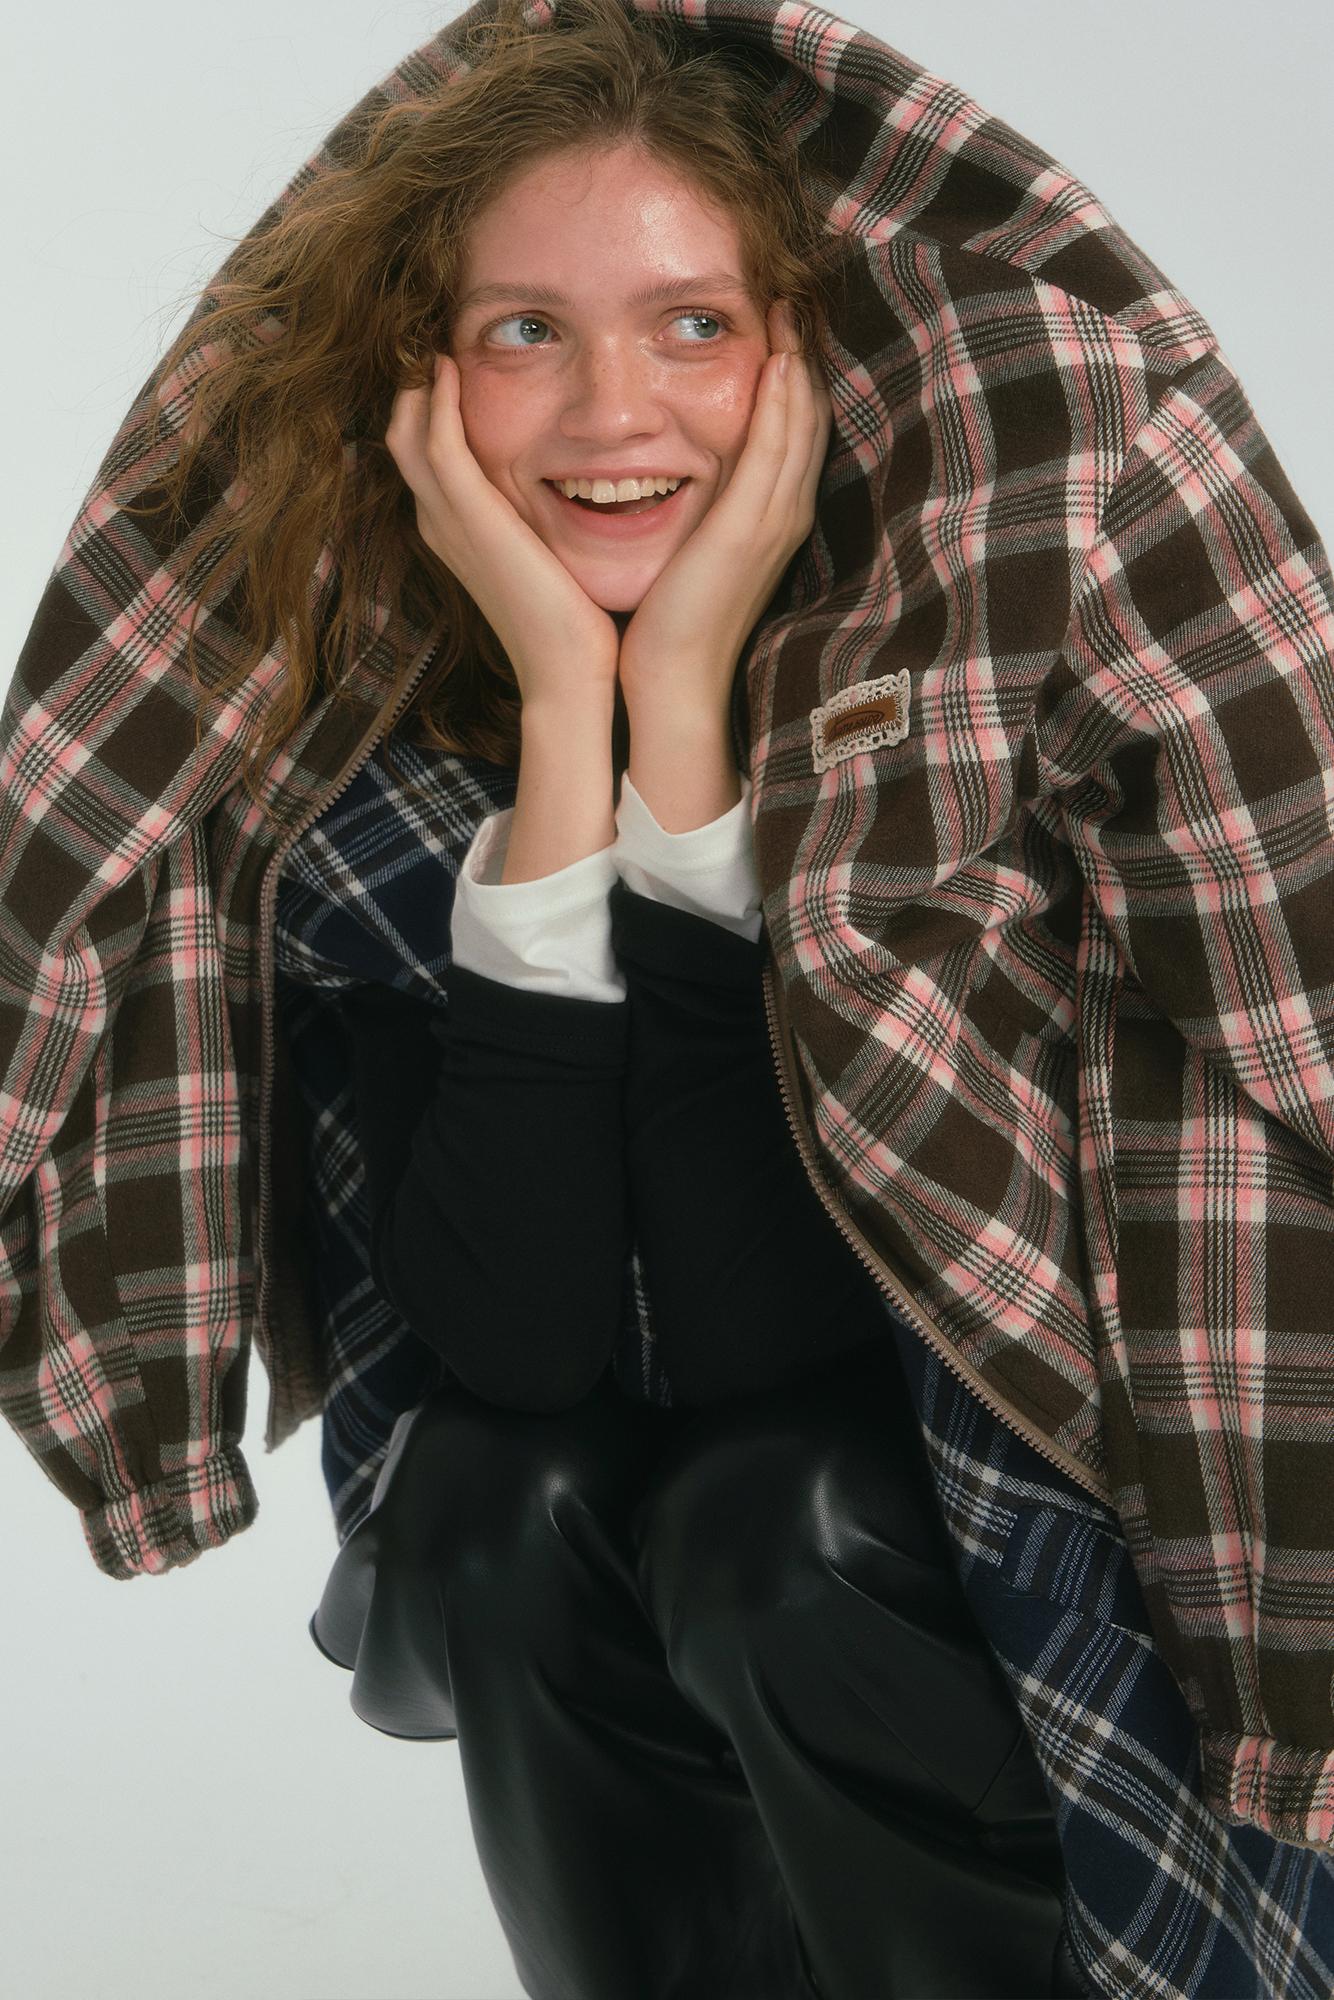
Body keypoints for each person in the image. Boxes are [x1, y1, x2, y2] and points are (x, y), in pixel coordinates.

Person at [2, 0, 1332, 1995]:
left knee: (776, 1515)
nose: (611, 411)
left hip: (1008, 1539)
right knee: (492, 1498)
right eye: (526, 330)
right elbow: (529, 1347)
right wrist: (569, 712)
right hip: (644, 1505)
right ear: (424, 381)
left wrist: (691, 727)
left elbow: (763, 1330)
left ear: (801, 354)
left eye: (691, 324)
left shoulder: (967, 688)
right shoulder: (348, 754)